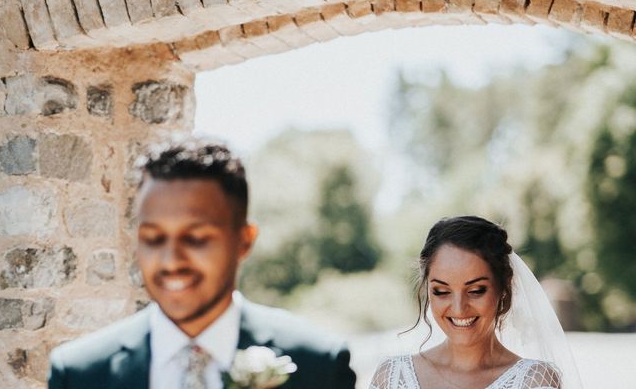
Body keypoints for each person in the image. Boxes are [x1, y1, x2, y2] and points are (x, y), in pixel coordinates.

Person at [48, 138, 356, 389]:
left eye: (196, 238)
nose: (171, 261)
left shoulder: (319, 366)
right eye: (154, 238)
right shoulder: (79, 374)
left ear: (244, 240)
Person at [369, 216, 582, 389]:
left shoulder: (536, 381)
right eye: (442, 291)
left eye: (476, 290)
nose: (459, 308)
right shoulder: (392, 378)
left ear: (503, 288)